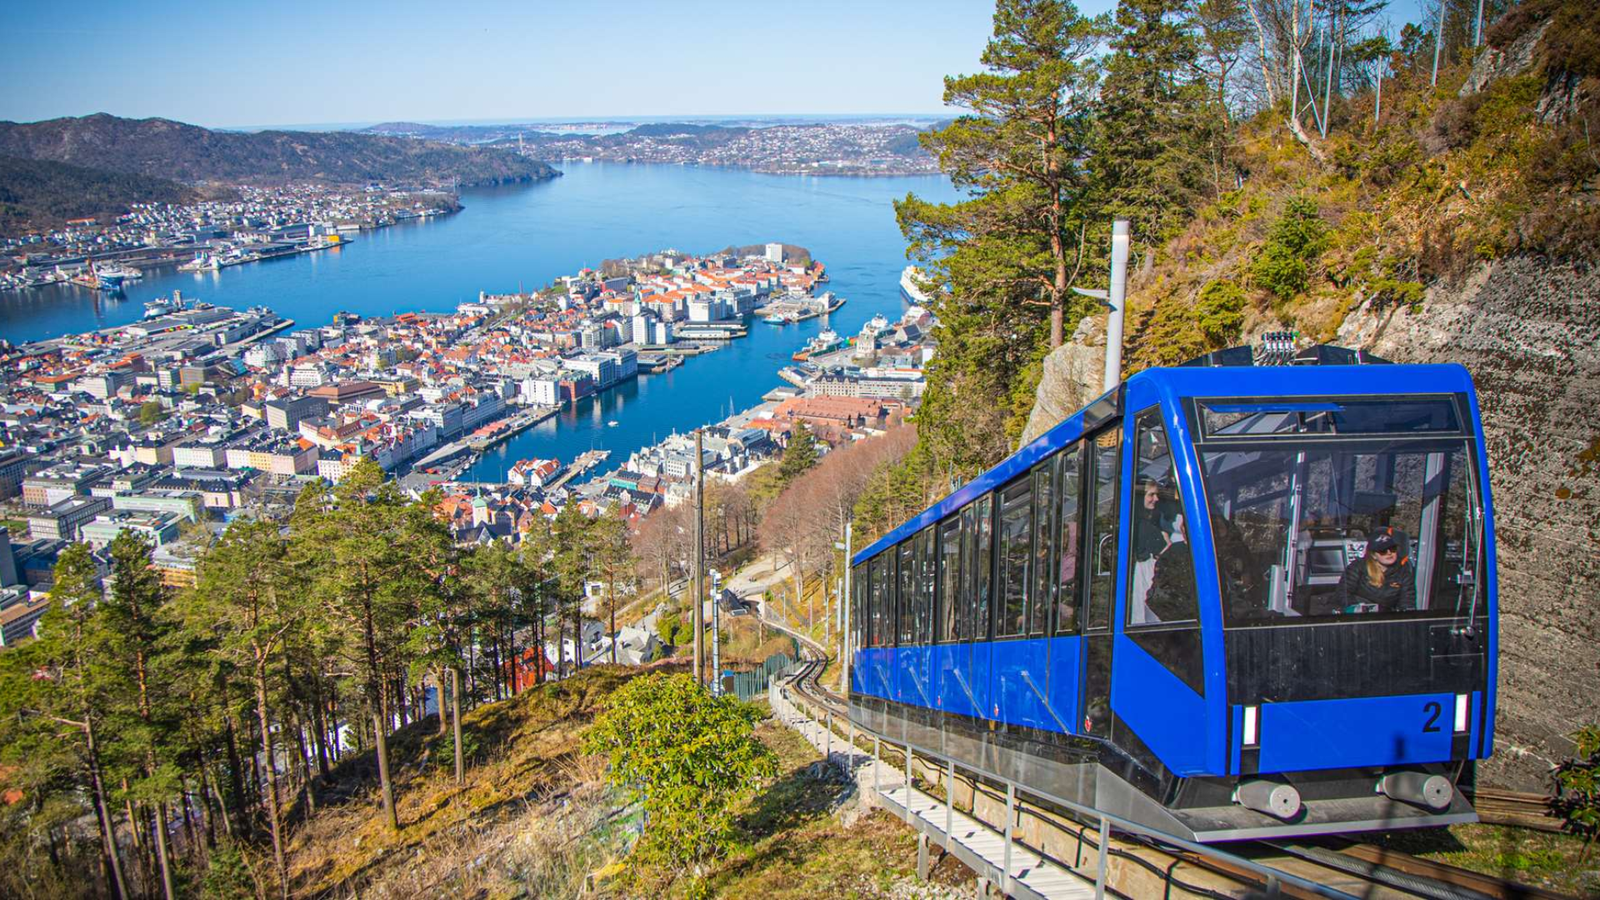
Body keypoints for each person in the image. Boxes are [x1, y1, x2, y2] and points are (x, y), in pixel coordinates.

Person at [1337, 527, 1416, 613]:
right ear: (1374, 555)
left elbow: (1408, 603)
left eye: (1392, 548)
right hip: (1358, 617)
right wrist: (1360, 609)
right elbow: (1342, 594)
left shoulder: (1403, 572)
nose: (1389, 553)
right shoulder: (1358, 567)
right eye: (1383, 550)